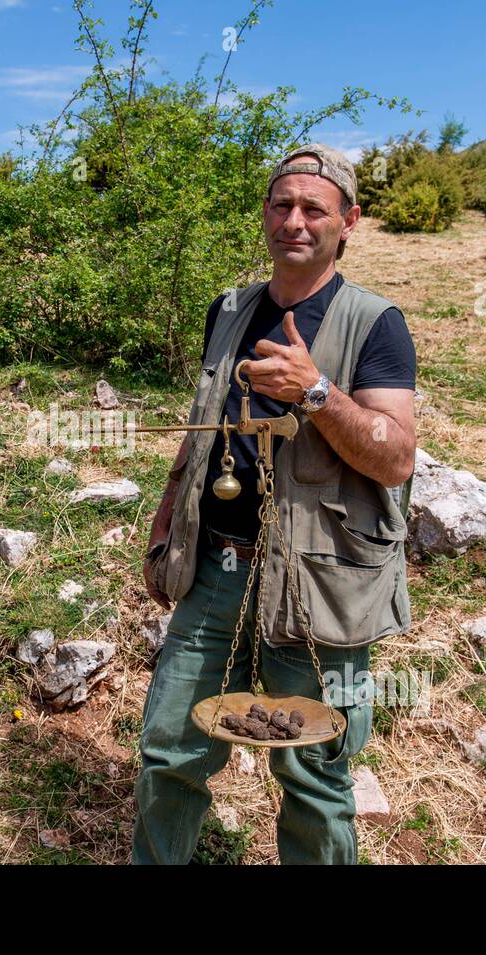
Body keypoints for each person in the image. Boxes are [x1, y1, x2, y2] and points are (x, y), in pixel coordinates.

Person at [133, 144, 417, 865]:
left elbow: (394, 456)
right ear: (265, 214)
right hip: (217, 569)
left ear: (347, 221)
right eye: (281, 205)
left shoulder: (376, 323)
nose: (295, 220)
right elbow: (203, 427)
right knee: (169, 749)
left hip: (320, 584)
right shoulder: (229, 311)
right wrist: (167, 524)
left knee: (315, 774)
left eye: (313, 209)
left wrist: (316, 391)